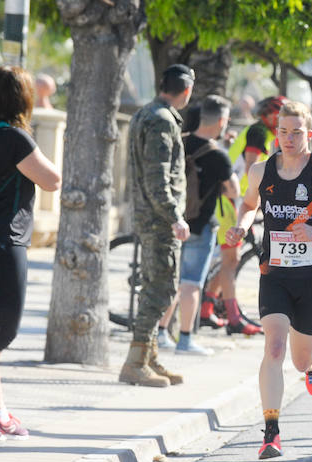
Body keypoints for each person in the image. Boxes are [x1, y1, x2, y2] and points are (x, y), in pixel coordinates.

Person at [225, 100, 312, 460]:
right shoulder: (259, 171)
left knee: (300, 362)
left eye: (296, 132)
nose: (288, 138)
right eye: (283, 131)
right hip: (274, 274)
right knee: (274, 347)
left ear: (309, 134)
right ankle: (271, 433)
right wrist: (241, 225)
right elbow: (250, 204)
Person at [0, 66, 61, 439]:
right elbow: (52, 180)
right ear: (24, 99)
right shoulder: (15, 138)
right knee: (3, 330)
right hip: (2, 242)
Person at [118, 64, 194, 387]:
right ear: (186, 92)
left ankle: (148, 358)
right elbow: (158, 179)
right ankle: (135, 362)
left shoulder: (144, 114)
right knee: (161, 291)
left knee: (153, 286)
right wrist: (174, 216)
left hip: (148, 217)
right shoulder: (163, 121)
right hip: (160, 221)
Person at [157, 95, 240, 355]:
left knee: (172, 280)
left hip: (173, 221)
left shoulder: (179, 142)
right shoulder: (218, 155)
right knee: (191, 283)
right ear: (222, 121)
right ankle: (184, 339)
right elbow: (233, 191)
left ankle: (160, 333)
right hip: (201, 225)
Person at [203, 96, 288, 336]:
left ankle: (206, 308)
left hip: (233, 199)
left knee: (230, 259)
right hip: (229, 200)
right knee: (231, 260)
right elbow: (253, 170)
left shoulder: (261, 132)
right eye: (280, 116)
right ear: (270, 116)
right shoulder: (259, 133)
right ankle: (233, 319)